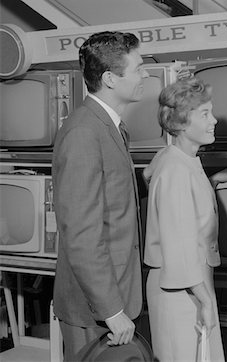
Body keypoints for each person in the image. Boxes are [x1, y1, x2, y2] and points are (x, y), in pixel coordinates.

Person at [52, 31, 148, 361]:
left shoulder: (111, 127)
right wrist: (110, 309)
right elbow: (81, 233)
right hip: (95, 310)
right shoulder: (83, 132)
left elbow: (113, 201)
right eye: (138, 68)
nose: (145, 75)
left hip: (116, 297)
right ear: (110, 78)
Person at [142, 77, 227, 362]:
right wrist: (205, 300)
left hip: (188, 283)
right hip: (182, 287)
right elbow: (179, 246)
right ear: (181, 122)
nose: (214, 120)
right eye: (205, 114)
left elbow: (182, 210)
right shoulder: (176, 170)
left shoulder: (179, 159)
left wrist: (211, 183)